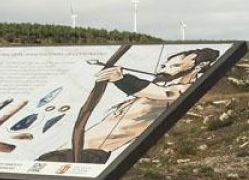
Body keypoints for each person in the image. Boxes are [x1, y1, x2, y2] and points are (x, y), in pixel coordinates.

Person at [37, 47, 219, 163]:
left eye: (174, 66)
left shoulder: (182, 90)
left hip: (92, 153)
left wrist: (122, 78)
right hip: (77, 150)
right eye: (164, 65)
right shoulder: (161, 88)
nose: (163, 70)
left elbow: (162, 94)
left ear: (198, 66)